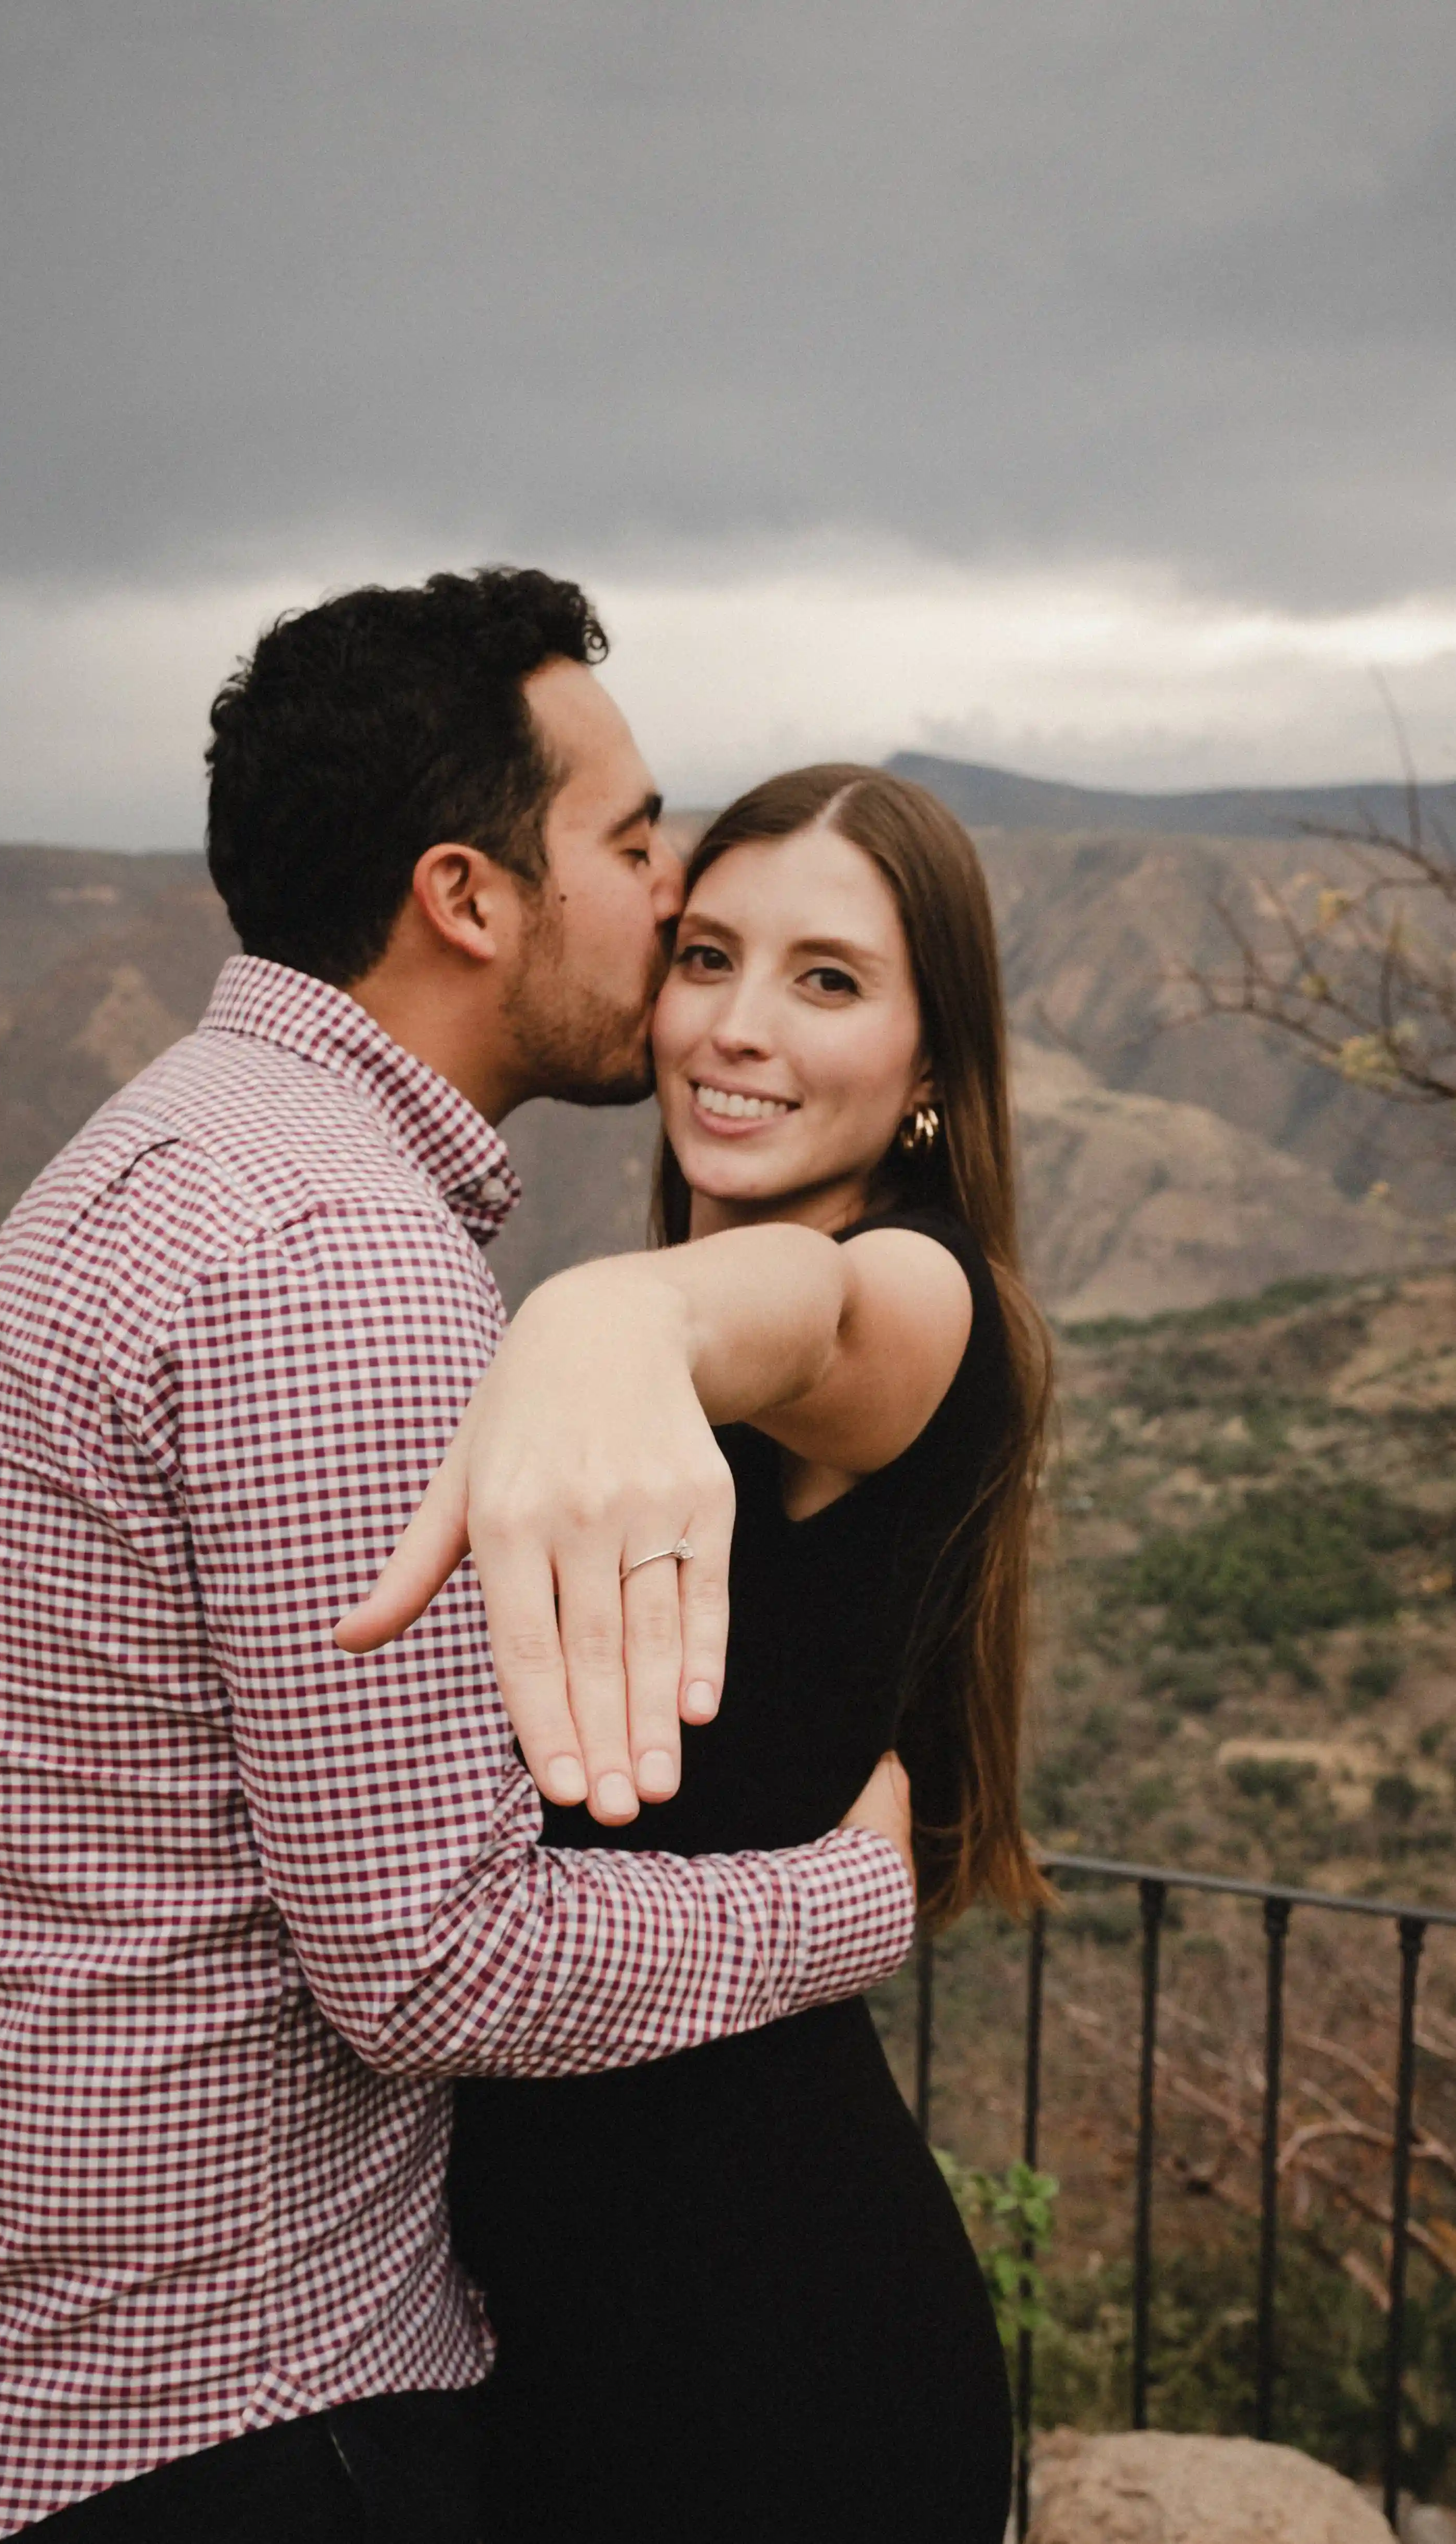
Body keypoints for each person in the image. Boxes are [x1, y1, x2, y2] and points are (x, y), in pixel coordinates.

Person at [0, 576, 919, 2544]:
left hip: (48, 2385)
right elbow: (436, 1959)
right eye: (624, 840)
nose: (665, 891)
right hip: (235, 2428)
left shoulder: (172, 1145)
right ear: (467, 895)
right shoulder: (337, 1261)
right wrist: (855, 1898)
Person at [368, 763, 1054, 2542]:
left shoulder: (918, 1304)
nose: (739, 1030)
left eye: (827, 981)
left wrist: (618, 1306)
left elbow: (808, 1310)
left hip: (777, 2354)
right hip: (562, 2330)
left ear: (928, 1070)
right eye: (708, 960)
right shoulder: (668, 1368)